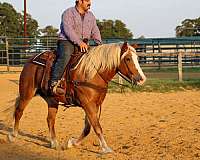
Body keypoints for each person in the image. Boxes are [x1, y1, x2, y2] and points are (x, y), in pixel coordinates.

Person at [50, 0, 102, 95]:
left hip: (84, 43)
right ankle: (54, 82)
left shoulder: (91, 16)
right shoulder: (68, 13)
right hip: (67, 41)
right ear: (79, 1)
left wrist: (99, 43)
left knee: (93, 59)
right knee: (65, 56)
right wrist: (79, 42)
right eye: (87, 1)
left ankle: (85, 85)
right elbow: (68, 30)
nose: (89, 3)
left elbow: (95, 30)